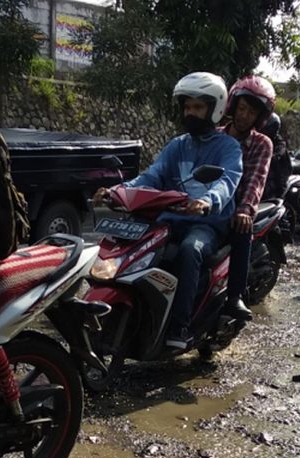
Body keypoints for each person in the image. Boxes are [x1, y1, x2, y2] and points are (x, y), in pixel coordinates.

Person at [93, 72, 241, 353]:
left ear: (215, 109)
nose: (191, 113)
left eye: (198, 107)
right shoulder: (177, 145)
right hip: (170, 219)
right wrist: (117, 190)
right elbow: (152, 176)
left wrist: (208, 201)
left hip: (206, 223)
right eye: (187, 107)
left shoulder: (228, 147)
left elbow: (228, 181)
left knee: (189, 250)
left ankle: (180, 327)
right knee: (137, 248)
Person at [220, 76, 275, 322]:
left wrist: (244, 210)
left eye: (251, 112)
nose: (244, 116)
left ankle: (235, 296)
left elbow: (256, 179)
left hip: (237, 208)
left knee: (243, 229)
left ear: (259, 118)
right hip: (208, 205)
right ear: (232, 106)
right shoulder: (216, 136)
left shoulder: (262, 143)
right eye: (242, 109)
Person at [260, 112, 293, 202]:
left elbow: (278, 154)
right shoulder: (261, 140)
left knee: (277, 185)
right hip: (265, 168)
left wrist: (270, 157)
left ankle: (279, 200)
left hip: (280, 171)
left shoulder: (279, 142)